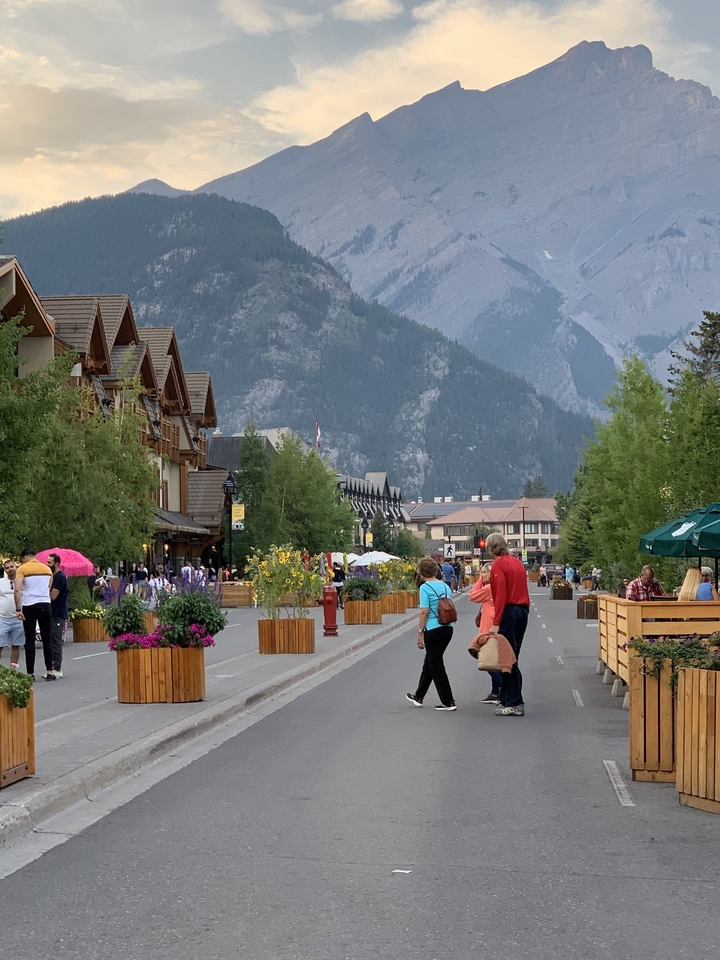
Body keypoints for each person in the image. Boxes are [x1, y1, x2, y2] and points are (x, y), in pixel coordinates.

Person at [487, 533, 530, 717]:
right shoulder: (517, 562)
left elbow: (501, 596)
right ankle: (505, 697)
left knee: (507, 658)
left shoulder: (498, 566)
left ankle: (515, 702)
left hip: (509, 612)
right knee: (513, 654)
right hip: (522, 611)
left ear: (491, 548)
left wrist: (495, 622)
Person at [406, 556, 457, 711]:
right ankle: (419, 695)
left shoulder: (425, 588)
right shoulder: (445, 586)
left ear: (421, 573)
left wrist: (420, 633)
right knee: (430, 662)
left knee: (436, 665)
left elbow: (424, 612)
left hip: (433, 629)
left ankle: (448, 701)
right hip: (448, 627)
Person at [14, 548, 54, 680]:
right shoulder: (47, 569)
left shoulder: (22, 569)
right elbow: (48, 587)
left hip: (29, 605)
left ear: (25, 557)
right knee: (47, 639)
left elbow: (17, 589)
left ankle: (30, 673)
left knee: (30, 639)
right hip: (45, 604)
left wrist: (18, 609)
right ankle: (50, 671)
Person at [468, 562, 503, 703]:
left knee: (488, 662)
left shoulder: (489, 588)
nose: (482, 575)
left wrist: (479, 581)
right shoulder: (497, 586)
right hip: (495, 625)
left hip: (489, 628)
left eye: (484, 572)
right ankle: (495, 692)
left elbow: (473, 596)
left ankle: (503, 690)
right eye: (481, 572)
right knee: (494, 659)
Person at [0, 559, 25, 669]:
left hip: (18, 619)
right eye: (7, 568)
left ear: (16, 567)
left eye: (11, 566)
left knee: (16, 645)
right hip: (3, 618)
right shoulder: (1, 582)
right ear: (5, 570)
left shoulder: (22, 582)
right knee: (0, 645)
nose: (10, 569)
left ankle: (12, 671)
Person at [47, 553, 67, 679]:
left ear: (56, 563)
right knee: (49, 640)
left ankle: (57, 669)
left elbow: (53, 596)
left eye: (50, 562)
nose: (47, 564)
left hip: (58, 613)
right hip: (50, 612)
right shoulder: (50, 576)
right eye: (47, 562)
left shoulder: (60, 577)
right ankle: (51, 668)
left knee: (56, 640)